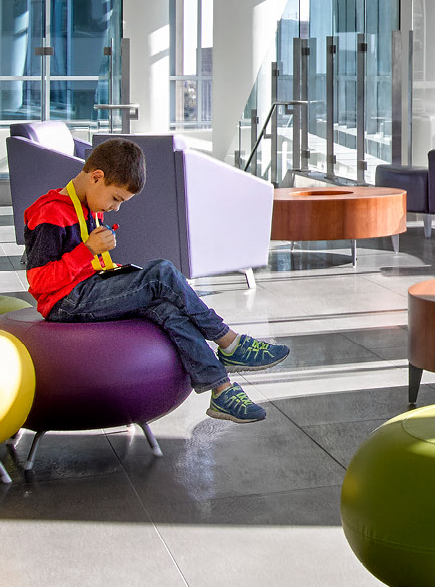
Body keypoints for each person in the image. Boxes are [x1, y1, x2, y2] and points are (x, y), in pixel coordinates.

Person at [23, 138, 290, 423]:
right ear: (96, 177)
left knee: (167, 310)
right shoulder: (51, 211)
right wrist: (87, 250)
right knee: (162, 272)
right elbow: (39, 282)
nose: (116, 208)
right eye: (116, 199)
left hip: (89, 289)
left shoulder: (89, 206)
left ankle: (221, 389)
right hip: (66, 302)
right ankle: (229, 341)